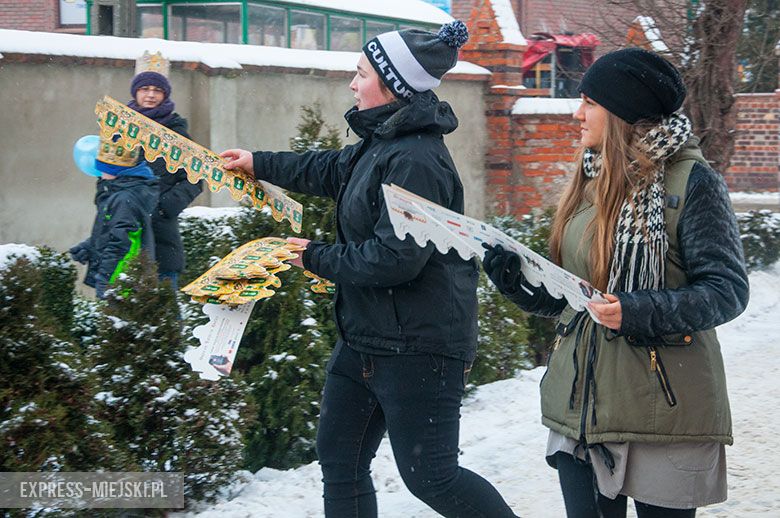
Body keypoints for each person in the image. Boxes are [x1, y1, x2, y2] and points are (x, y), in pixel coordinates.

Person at [221, 21, 517, 518]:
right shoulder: (381, 141)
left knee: (433, 477)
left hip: (419, 346)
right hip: (365, 337)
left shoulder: (417, 160)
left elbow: (395, 258)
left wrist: (312, 255)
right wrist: (258, 162)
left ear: (392, 85)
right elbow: (329, 170)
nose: (352, 84)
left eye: (361, 74)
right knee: (340, 459)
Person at [483, 48, 749, 517]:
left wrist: (637, 310)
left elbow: (727, 290)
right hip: (583, 410)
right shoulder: (590, 176)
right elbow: (577, 296)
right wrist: (518, 284)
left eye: (589, 102)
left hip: (663, 412)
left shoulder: (691, 182)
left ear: (622, 112)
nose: (577, 113)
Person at [128, 54, 202, 291]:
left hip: (161, 234)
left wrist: (163, 207)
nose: (150, 94)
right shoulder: (121, 127)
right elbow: (105, 174)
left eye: (157, 90)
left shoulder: (176, 132)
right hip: (124, 228)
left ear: (165, 94)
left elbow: (195, 178)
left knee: (163, 301)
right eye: (145, 89)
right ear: (135, 92)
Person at [70, 140, 158, 298]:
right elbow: (111, 231)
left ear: (115, 170)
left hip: (121, 278)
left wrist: (106, 278)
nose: (100, 173)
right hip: (121, 276)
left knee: (115, 312)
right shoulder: (119, 194)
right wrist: (90, 246)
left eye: (103, 168)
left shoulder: (123, 199)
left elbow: (122, 242)